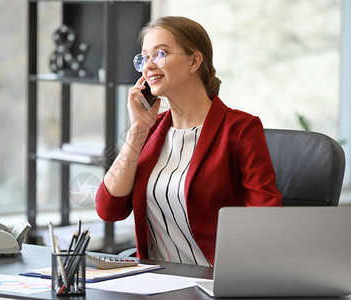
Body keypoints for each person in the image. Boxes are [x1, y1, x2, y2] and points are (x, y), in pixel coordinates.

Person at [95, 16, 282, 266]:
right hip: (153, 282)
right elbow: (108, 209)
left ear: (194, 60)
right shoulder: (150, 131)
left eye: (160, 54)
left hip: (216, 282)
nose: (148, 66)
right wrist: (137, 129)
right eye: (144, 57)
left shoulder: (239, 129)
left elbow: (266, 222)